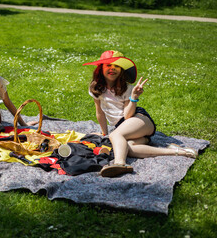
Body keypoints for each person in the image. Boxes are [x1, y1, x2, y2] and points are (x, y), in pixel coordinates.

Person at [83, 50, 198, 178]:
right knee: (128, 148)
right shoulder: (96, 89)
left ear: (121, 70)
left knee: (115, 135)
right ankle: (177, 151)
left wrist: (133, 97)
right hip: (125, 126)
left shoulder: (127, 88)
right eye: (108, 65)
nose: (112, 69)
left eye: (116, 66)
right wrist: (104, 133)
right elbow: (99, 112)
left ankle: (120, 164)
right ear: (100, 68)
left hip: (138, 119)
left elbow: (128, 116)